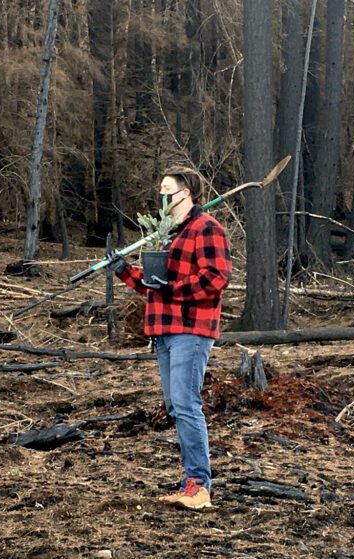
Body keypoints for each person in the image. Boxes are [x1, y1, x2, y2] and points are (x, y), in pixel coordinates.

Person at [107, 166, 231, 510]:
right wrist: (124, 271)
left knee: (186, 403)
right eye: (159, 190)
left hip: (191, 329)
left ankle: (198, 485)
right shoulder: (166, 234)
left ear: (186, 192)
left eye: (167, 189)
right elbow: (154, 286)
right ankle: (189, 481)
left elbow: (216, 279)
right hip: (163, 330)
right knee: (177, 406)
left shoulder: (207, 229)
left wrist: (173, 289)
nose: (162, 196)